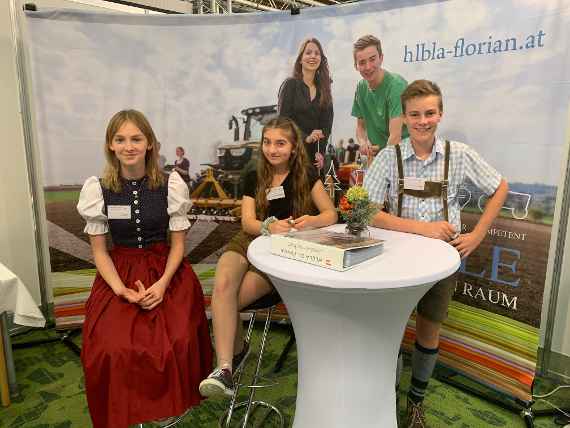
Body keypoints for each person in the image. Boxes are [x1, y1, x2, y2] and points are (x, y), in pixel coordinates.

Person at [363, 80, 508, 427]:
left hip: (443, 264)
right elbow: (367, 211)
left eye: (429, 113)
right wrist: (424, 228)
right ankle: (385, 398)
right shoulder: (389, 156)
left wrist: (477, 234)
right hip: (395, 261)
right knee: (391, 331)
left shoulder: (458, 155)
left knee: (428, 332)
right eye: (415, 114)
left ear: (440, 114)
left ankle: (415, 403)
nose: (423, 121)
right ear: (405, 117)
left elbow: (500, 187)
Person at [77, 110, 212, 428]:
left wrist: (163, 284)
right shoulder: (98, 188)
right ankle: (126, 411)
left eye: (136, 138)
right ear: (110, 145)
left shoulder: (170, 183)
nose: (129, 146)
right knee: (111, 347)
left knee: (176, 341)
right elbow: (100, 252)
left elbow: (178, 245)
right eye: (120, 139)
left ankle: (167, 405)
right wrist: (120, 289)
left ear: (150, 143)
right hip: (118, 273)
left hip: (166, 269)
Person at [199, 116, 338, 397]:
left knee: (227, 303)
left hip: (278, 255)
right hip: (249, 241)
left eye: (280, 143)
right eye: (267, 142)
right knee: (223, 288)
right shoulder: (254, 175)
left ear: (294, 147)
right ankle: (224, 369)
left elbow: (330, 214)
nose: (272, 149)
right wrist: (268, 226)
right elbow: (248, 222)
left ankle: (236, 354)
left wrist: (309, 221)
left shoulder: (308, 176)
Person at [278, 37, 334, 171]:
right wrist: (306, 138)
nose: (313, 56)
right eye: (308, 53)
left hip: (313, 161)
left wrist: (320, 152)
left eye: (317, 53)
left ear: (321, 59)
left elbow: (326, 126)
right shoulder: (290, 85)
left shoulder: (324, 90)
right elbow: (283, 122)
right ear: (300, 59)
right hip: (291, 157)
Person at [352, 34, 409, 157]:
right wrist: (363, 142)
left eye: (372, 59)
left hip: (405, 156)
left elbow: (395, 137)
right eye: (362, 62)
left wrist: (380, 164)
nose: (368, 67)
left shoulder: (396, 86)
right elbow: (360, 127)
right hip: (383, 156)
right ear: (356, 66)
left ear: (381, 58)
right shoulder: (360, 88)